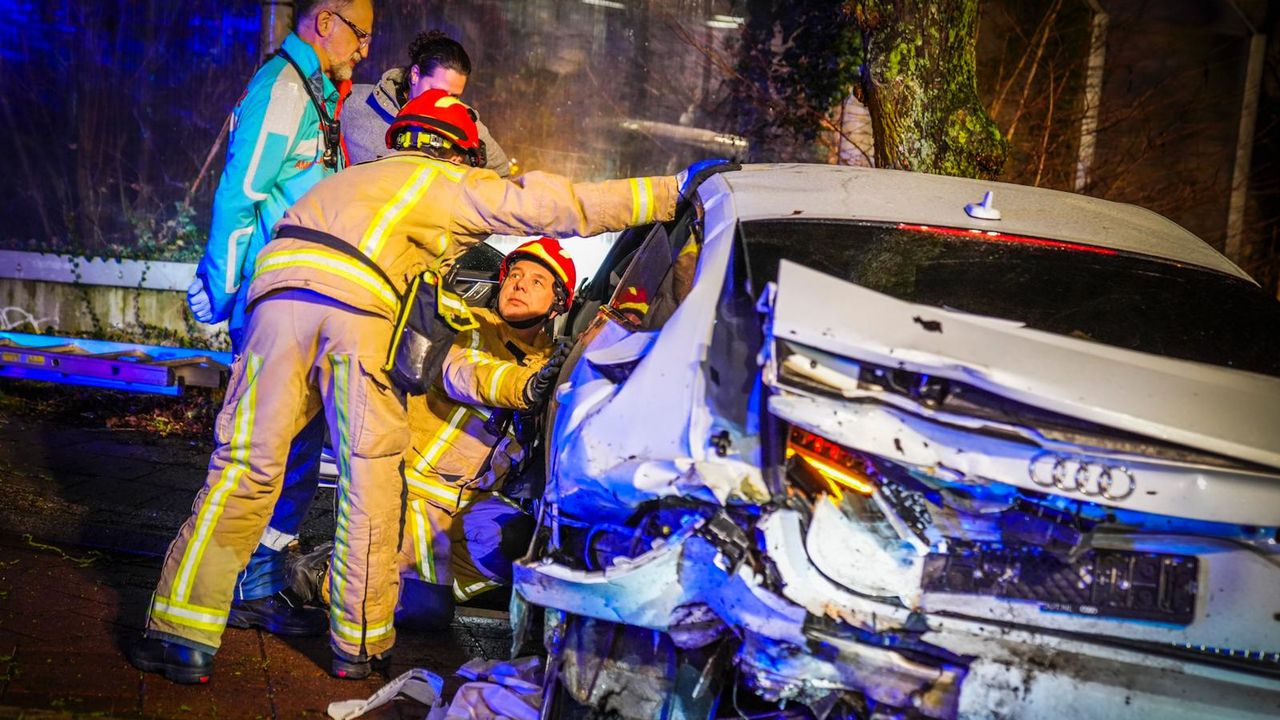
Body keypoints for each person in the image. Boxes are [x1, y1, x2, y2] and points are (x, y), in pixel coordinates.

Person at [128, 88, 724, 684]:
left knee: (244, 468)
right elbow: (551, 203)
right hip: (359, 308)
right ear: (460, 152)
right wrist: (671, 191)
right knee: (369, 483)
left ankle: (179, 635)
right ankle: (357, 647)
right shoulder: (441, 184)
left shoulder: (345, 183)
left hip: (276, 300)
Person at [184, 0, 374, 640]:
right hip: (277, 309)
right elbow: (240, 196)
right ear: (326, 20)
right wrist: (222, 287)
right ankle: (229, 585)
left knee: (295, 451)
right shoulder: (285, 89)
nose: (365, 48)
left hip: (302, 308)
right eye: (360, 33)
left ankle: (257, 580)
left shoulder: (316, 93)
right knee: (264, 449)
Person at [288, 238, 577, 630]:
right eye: (515, 275)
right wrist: (527, 386)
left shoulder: (551, 361)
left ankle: (380, 569)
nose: (519, 284)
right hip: (408, 489)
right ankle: (323, 576)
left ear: (560, 302)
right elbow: (469, 373)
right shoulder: (468, 326)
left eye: (537, 281)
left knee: (523, 544)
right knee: (424, 612)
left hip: (469, 505)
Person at [344, 30, 509, 175]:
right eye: (437, 91)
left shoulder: (464, 121)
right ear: (415, 75)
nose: (443, 100)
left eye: (454, 96)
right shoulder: (353, 101)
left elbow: (501, 174)